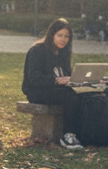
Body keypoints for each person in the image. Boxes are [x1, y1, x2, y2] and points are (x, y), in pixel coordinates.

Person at [21, 17, 84, 149]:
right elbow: (33, 78)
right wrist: (56, 80)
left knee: (81, 95)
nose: (63, 39)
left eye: (66, 36)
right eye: (60, 35)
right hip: (36, 91)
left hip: (56, 90)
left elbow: (66, 75)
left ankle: (82, 133)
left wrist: (75, 80)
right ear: (52, 34)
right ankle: (67, 136)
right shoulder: (38, 50)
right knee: (69, 97)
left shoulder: (63, 52)